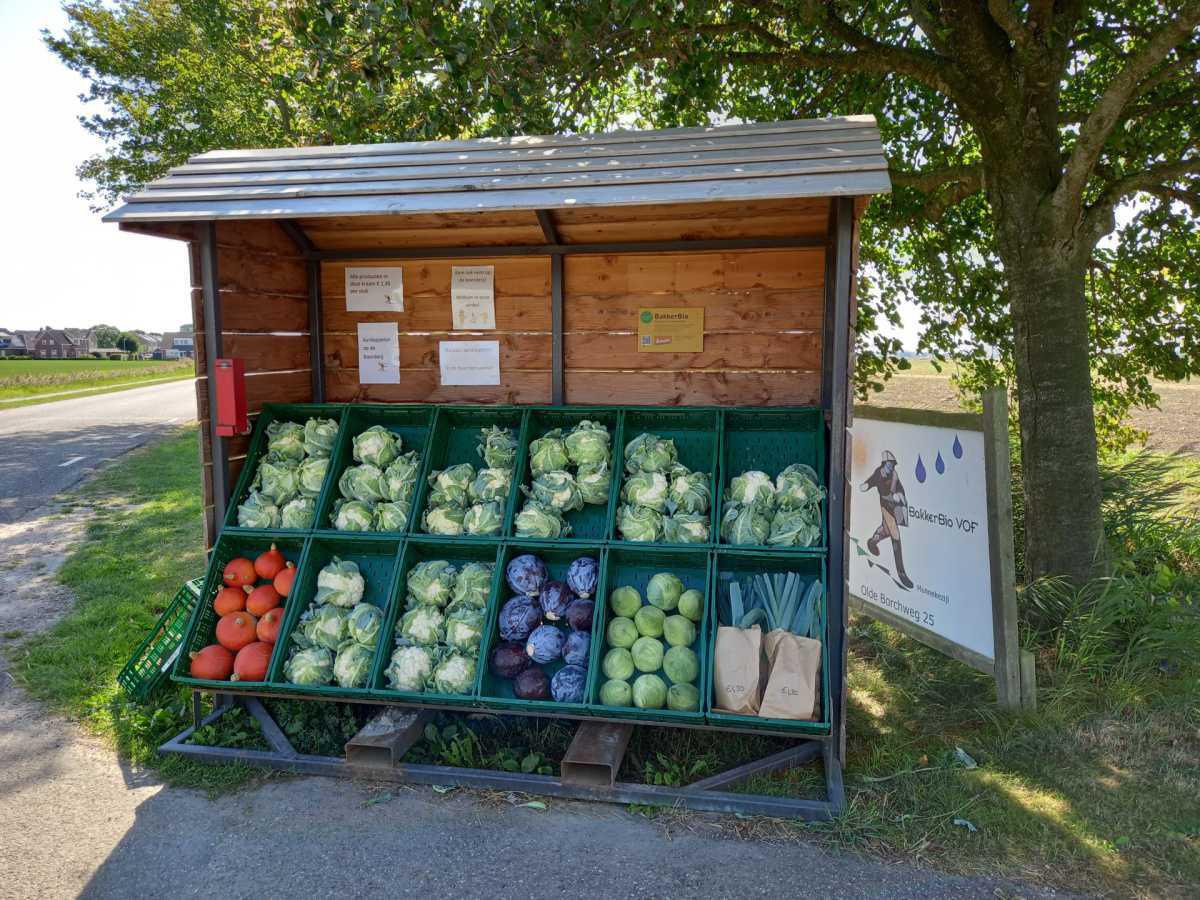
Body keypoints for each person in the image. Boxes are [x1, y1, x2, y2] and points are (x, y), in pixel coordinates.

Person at [860, 450, 914, 589]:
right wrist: (866, 486)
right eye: (889, 464)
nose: (891, 467)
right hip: (885, 504)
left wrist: (900, 495)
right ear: (884, 463)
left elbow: (901, 489)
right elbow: (872, 481)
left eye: (892, 465)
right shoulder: (879, 473)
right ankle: (901, 572)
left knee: (886, 530)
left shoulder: (894, 475)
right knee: (895, 533)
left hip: (894, 505)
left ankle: (873, 541)